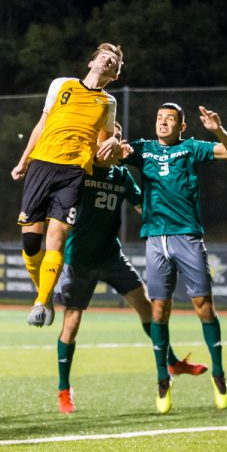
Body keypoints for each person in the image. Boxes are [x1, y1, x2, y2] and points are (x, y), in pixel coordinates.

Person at [54, 122, 207, 414]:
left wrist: (173, 218)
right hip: (80, 260)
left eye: (119, 136)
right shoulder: (82, 171)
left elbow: (142, 207)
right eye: (111, 135)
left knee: (147, 307)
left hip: (112, 255)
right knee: (71, 324)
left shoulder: (122, 175)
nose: (118, 140)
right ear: (96, 140)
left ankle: (172, 362)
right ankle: (64, 390)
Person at [123, 103, 227, 413]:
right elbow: (111, 154)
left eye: (170, 119)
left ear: (182, 126)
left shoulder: (191, 148)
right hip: (154, 239)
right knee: (158, 309)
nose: (163, 122)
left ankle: (218, 375)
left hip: (187, 236)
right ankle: (163, 379)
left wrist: (218, 131)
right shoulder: (142, 149)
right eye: (159, 117)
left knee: (203, 307)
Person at [11, 43, 125, 328]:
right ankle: (45, 294)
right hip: (41, 165)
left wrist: (113, 144)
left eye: (112, 61)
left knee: (57, 237)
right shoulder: (61, 84)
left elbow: (102, 150)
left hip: (74, 172)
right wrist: (23, 161)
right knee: (30, 243)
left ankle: (40, 304)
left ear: (115, 75)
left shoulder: (108, 103)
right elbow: (42, 124)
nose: (107, 60)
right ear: (91, 63)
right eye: (103, 56)